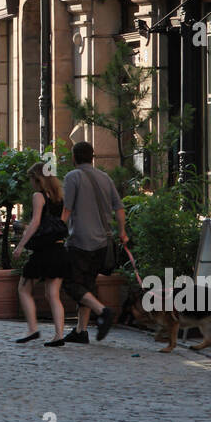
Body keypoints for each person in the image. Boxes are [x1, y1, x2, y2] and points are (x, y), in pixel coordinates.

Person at [60, 141, 125, 344]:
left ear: (74, 157)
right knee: (87, 284)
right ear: (92, 157)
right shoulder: (105, 178)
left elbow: (66, 210)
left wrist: (57, 232)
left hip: (80, 241)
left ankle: (103, 311)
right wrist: (122, 232)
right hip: (102, 243)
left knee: (71, 283)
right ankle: (81, 331)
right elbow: (120, 208)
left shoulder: (73, 177)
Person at [13, 162, 70, 346]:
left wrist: (21, 245)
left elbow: (36, 222)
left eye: (31, 178)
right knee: (53, 294)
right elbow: (62, 223)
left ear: (37, 179)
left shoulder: (39, 196)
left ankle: (32, 329)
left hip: (43, 251)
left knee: (24, 288)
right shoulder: (60, 197)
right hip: (59, 248)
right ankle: (59, 334)